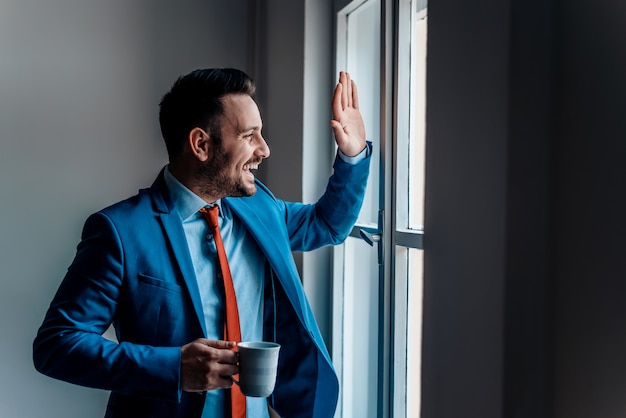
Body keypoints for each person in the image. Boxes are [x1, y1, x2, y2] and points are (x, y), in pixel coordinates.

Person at [33, 68, 371, 418]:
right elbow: (58, 344)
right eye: (249, 135)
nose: (264, 150)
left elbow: (327, 225)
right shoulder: (119, 231)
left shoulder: (261, 207)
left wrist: (353, 154)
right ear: (201, 144)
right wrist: (174, 367)